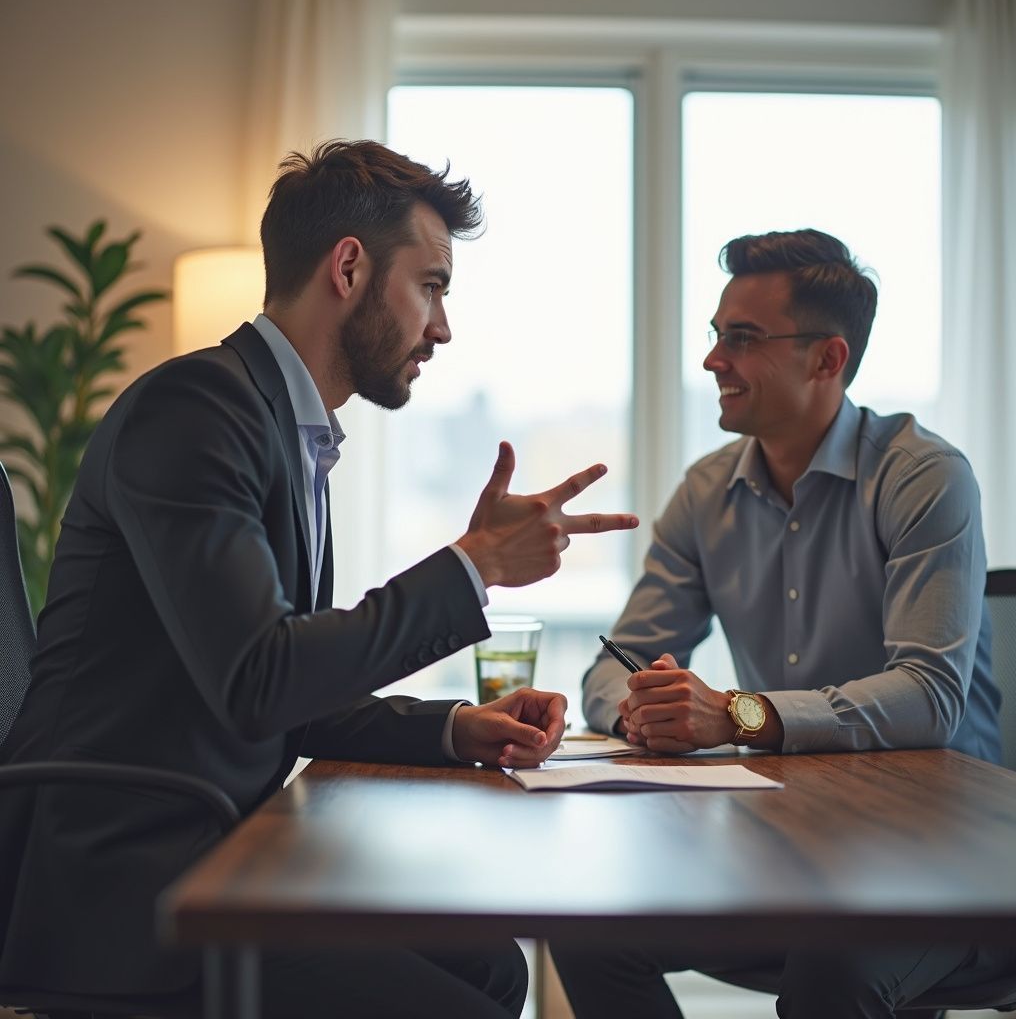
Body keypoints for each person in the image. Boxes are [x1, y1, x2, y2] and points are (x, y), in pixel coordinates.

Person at [0, 139, 639, 1019]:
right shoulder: (195, 411)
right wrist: (475, 566)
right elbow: (260, 679)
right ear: (349, 268)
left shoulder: (284, 433)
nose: (443, 327)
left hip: (217, 848)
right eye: (433, 286)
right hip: (122, 883)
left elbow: (282, 682)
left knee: (491, 966)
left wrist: (457, 728)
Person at [549, 228, 1016, 1019]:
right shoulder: (706, 492)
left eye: (743, 339)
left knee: (831, 981)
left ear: (827, 360)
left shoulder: (924, 476)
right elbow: (616, 662)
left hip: (948, 861)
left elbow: (929, 696)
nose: (712, 361)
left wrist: (736, 714)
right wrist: (646, 704)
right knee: (590, 926)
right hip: (789, 849)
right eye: (715, 335)